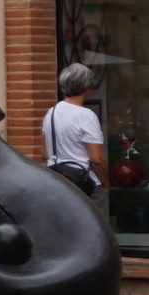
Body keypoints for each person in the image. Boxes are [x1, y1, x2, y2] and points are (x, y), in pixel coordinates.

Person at [43, 63, 109, 205]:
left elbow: (45, 153)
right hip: (85, 183)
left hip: (57, 181)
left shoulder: (52, 113)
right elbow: (97, 159)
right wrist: (106, 184)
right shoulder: (86, 115)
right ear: (87, 88)